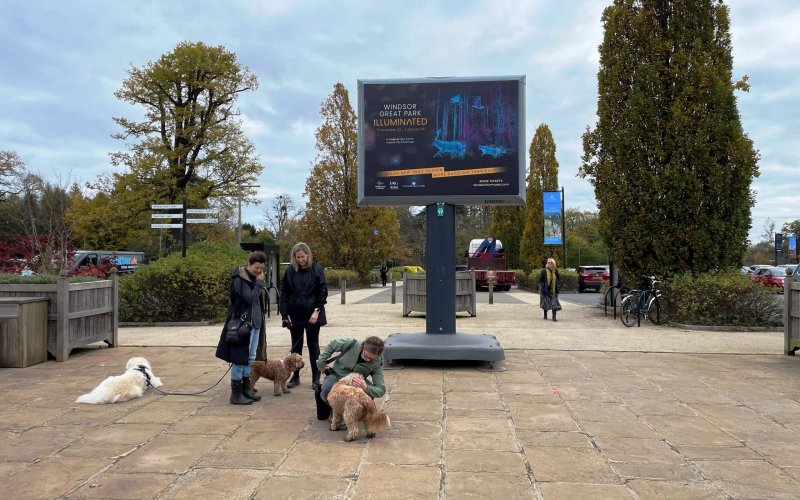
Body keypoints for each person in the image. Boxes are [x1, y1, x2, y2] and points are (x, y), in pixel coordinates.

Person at [215, 251, 268, 405]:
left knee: (250, 358)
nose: (259, 271)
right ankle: (236, 394)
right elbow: (249, 299)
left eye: (261, 268)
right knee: (239, 358)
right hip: (243, 325)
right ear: (249, 264)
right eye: (256, 267)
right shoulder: (240, 279)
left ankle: (246, 389)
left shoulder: (252, 278)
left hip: (255, 324)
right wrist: (259, 283)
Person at [279, 242, 328, 390]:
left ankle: (315, 377)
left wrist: (317, 310)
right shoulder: (289, 271)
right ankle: (295, 376)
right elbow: (284, 293)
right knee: (296, 346)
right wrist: (285, 314)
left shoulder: (317, 269)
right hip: (295, 313)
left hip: (313, 312)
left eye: (303, 257)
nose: (301, 260)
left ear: (308, 255)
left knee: (313, 345)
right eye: (297, 257)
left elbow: (322, 291)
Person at [317, 336, 386, 403]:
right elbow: (332, 345)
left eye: (371, 359)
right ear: (363, 347)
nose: (367, 360)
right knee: (326, 391)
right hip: (337, 375)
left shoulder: (378, 362)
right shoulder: (351, 344)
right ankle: (331, 408)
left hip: (356, 382)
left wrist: (366, 387)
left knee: (367, 396)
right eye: (366, 356)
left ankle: (355, 412)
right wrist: (321, 363)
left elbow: (381, 389)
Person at [538, 257, 562, 322]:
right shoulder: (544, 271)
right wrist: (543, 288)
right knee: (545, 303)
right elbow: (541, 280)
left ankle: (554, 317)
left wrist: (558, 286)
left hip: (554, 290)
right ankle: (545, 314)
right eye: (548, 262)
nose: (549, 264)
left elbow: (558, 280)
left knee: (554, 303)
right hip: (546, 289)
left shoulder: (556, 271)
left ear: (554, 264)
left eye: (551, 263)